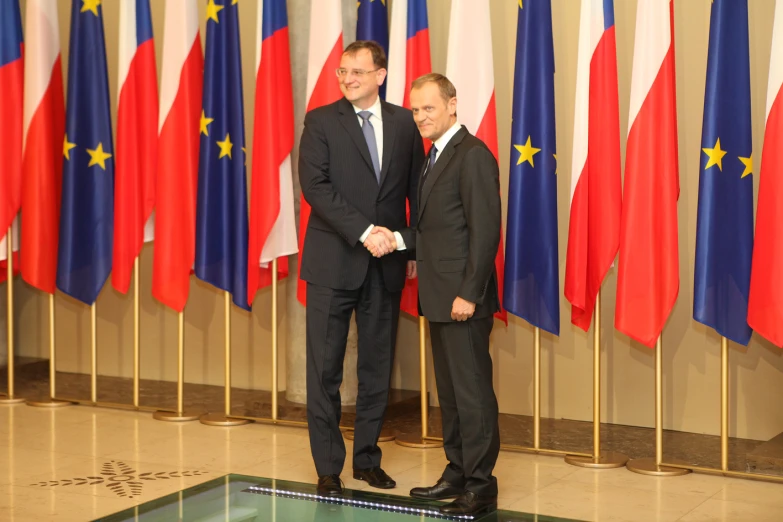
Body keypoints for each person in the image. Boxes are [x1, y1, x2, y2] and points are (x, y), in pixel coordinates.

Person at [298, 40, 424, 497]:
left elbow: (415, 190)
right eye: (342, 71)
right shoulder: (320, 121)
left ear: (380, 75)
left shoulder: (404, 125)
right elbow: (315, 187)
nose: (347, 79)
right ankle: (329, 466)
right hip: (335, 262)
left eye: (357, 71)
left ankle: (367, 459)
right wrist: (366, 230)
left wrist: (407, 248)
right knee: (325, 371)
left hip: (385, 265)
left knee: (376, 370)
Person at [407, 73, 502, 516]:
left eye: (429, 107)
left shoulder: (473, 155)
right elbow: (436, 228)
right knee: (450, 392)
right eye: (415, 110)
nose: (421, 116)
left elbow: (485, 233)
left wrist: (469, 293)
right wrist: (397, 239)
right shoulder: (434, 156)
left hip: (463, 300)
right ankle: (457, 471)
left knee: (473, 393)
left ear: (451, 105)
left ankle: (481, 486)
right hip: (438, 297)